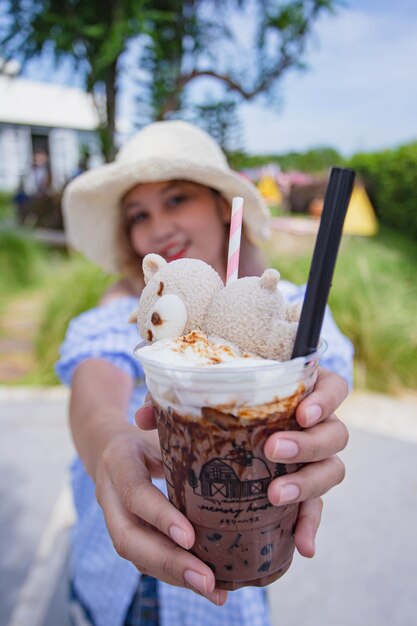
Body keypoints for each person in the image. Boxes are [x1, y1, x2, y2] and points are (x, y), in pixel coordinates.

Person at [57, 121, 352, 626]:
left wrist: (315, 414)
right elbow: (95, 391)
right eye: (139, 214)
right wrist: (109, 444)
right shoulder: (133, 318)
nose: (159, 226)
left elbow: (327, 372)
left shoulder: (287, 315)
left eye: (177, 200)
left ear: (222, 204)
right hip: (113, 590)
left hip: (244, 582)